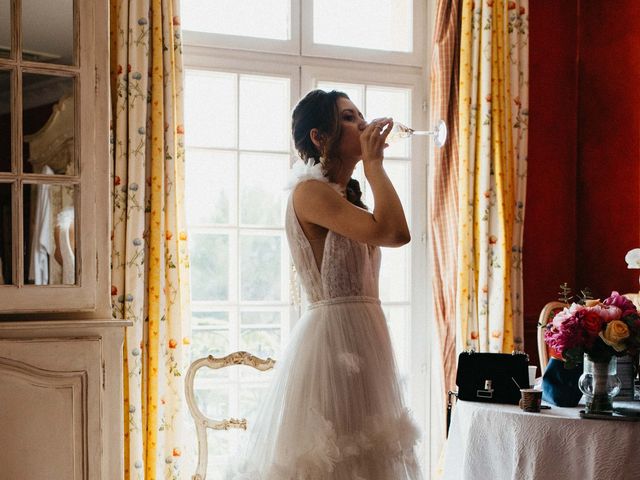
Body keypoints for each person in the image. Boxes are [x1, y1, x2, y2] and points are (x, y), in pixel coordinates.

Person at [227, 89, 422, 479]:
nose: (364, 125)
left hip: (367, 344)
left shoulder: (348, 200)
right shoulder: (309, 192)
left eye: (360, 115)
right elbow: (396, 232)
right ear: (319, 137)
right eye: (349, 118)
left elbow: (389, 235)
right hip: (333, 349)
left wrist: (370, 173)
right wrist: (376, 168)